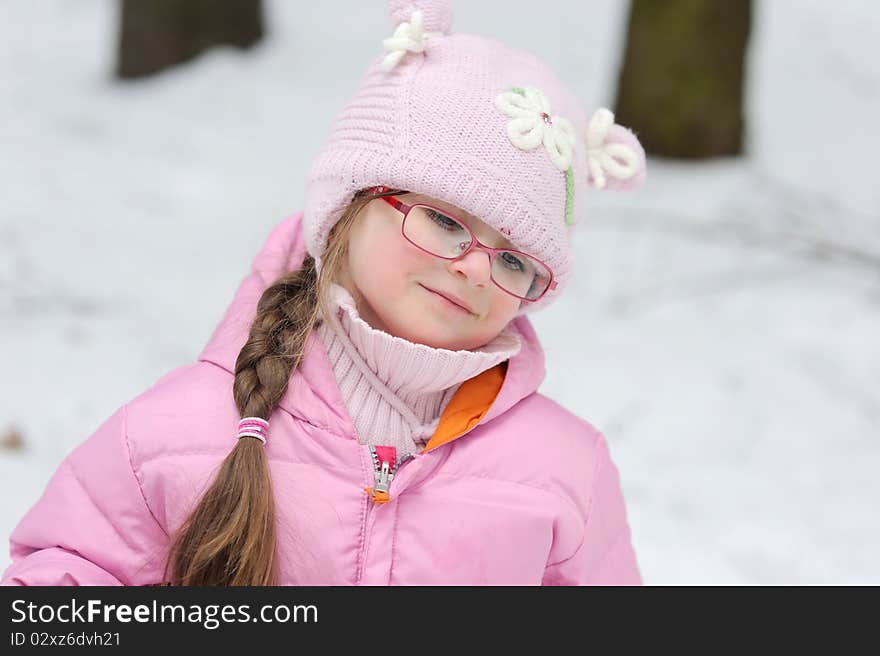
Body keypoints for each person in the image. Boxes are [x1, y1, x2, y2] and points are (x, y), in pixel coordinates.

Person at [1, 0, 647, 586]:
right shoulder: (189, 431)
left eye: (514, 260)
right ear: (348, 205)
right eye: (444, 220)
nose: (477, 270)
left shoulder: (563, 474)